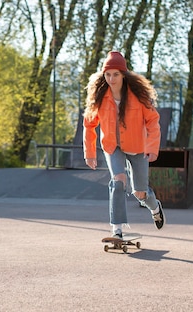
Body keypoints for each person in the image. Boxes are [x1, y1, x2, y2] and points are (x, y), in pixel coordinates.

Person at [82, 51, 165, 238]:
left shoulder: (138, 96)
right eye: (108, 74)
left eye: (116, 74)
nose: (111, 79)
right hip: (113, 147)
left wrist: (152, 147)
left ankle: (155, 207)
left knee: (140, 193)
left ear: (123, 74)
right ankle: (117, 230)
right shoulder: (100, 97)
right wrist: (89, 153)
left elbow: (153, 121)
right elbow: (89, 124)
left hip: (138, 147)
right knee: (118, 182)